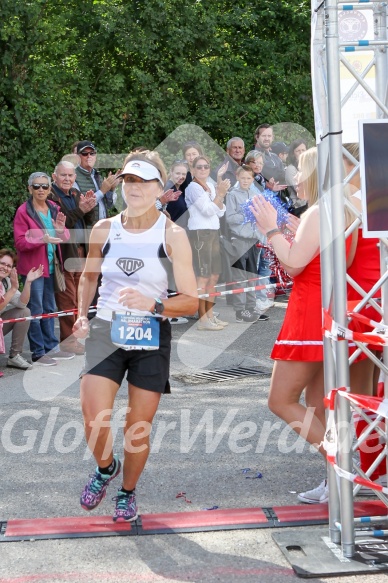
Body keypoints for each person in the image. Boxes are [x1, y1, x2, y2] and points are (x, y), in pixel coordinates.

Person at [73, 151, 198, 522]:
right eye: (129, 181)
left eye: (144, 182)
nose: (135, 188)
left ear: (160, 189)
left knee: (137, 427)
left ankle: (127, 492)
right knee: (93, 415)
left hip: (151, 335)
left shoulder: (173, 234)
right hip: (106, 331)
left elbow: (191, 302)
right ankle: (105, 468)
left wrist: (154, 304)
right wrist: (81, 315)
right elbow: (89, 277)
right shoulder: (104, 229)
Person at [251, 147, 356, 505]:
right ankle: (336, 477)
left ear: (315, 173)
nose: (295, 177)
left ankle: (344, 467)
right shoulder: (342, 209)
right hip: (328, 311)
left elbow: (294, 264)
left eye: (300, 170)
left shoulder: (321, 209)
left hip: (310, 314)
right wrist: (295, 232)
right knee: (316, 403)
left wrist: (270, 230)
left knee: (280, 400)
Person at [14, 172, 74, 366]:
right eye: (36, 186)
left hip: (51, 266)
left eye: (44, 186)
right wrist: (41, 239)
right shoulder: (24, 211)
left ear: (50, 189)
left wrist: (59, 230)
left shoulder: (54, 208)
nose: (41, 189)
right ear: (29, 188)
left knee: (49, 309)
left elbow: (63, 237)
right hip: (33, 270)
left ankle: (50, 348)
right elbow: (20, 242)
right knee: (36, 310)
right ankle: (38, 352)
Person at [50, 161, 96, 354]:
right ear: (54, 177)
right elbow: (64, 222)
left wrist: (89, 207)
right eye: (63, 175)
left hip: (80, 251)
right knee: (67, 300)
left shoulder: (76, 194)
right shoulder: (50, 196)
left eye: (70, 176)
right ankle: (68, 343)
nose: (67, 179)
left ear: (74, 178)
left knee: (79, 298)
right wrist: (81, 210)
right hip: (64, 255)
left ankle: (76, 339)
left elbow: (87, 220)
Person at [186, 155, 230, 331]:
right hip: (200, 234)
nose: (203, 169)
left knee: (213, 276)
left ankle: (210, 315)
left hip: (213, 232)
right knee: (203, 276)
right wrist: (219, 195)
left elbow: (220, 211)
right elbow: (207, 210)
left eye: (206, 167)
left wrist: (218, 197)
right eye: (199, 167)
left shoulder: (211, 186)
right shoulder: (193, 187)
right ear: (193, 170)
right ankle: (202, 319)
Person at [225, 165, 262, 323]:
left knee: (252, 275)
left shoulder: (256, 194)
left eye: (249, 178)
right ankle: (240, 310)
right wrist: (246, 214)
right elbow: (229, 218)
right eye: (243, 178)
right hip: (239, 239)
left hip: (254, 239)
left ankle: (251, 306)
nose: (245, 181)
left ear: (252, 179)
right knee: (240, 275)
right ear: (237, 177)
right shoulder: (232, 195)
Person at [0, 249, 43, 371]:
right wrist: (13, 289)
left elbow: (21, 304)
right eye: (2, 263)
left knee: (24, 313)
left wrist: (28, 282)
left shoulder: (6, 282)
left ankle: (14, 356)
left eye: (9, 266)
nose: (5, 268)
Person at [75, 141, 120, 224]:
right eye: (85, 153)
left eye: (92, 153)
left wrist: (111, 189)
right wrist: (102, 191)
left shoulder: (97, 175)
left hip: (103, 227)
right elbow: (80, 206)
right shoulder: (73, 176)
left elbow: (109, 205)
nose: (89, 156)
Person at [285, 138, 308, 211]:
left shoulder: (309, 166)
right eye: (298, 151)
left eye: (303, 150)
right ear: (293, 154)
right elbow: (301, 190)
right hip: (299, 207)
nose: (301, 153)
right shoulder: (291, 169)